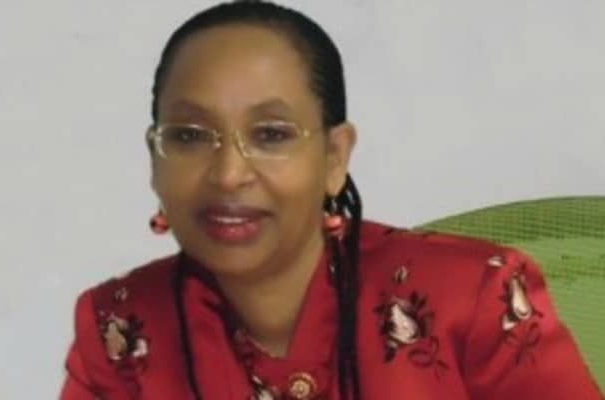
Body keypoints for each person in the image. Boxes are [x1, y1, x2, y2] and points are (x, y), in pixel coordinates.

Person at [59, 1, 603, 399]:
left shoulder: (470, 298)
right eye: (190, 136)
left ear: (334, 156)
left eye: (271, 134)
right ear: (155, 158)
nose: (227, 175)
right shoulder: (118, 326)